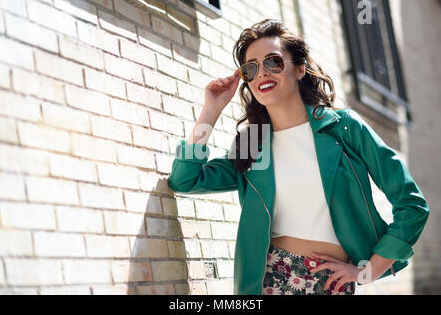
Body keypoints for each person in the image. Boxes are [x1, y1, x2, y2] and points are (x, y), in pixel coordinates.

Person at [167, 19, 429, 295]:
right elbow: (186, 180)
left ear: (300, 69)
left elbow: (411, 204)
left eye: (273, 62)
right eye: (251, 68)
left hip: (330, 281)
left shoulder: (343, 128)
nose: (261, 74)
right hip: (267, 279)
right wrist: (211, 110)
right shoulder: (255, 146)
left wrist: (369, 270)